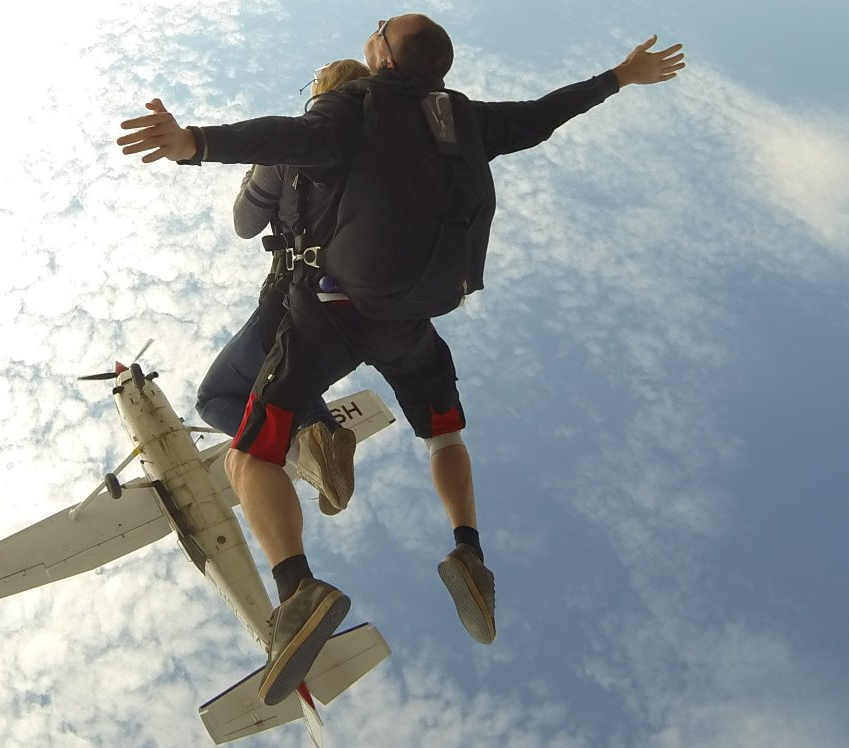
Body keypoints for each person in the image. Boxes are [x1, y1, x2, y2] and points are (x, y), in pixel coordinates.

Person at [117, 14, 684, 706]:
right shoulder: (465, 120)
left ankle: (298, 587)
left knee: (248, 453)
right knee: (444, 433)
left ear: (384, 56)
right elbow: (543, 116)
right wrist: (619, 77)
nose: (370, 31)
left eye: (378, 27)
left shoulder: (348, 108)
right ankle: (469, 551)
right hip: (411, 324)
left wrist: (194, 144)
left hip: (326, 316)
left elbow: (285, 137)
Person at [195, 59, 371, 516]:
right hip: (371, 313)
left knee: (215, 397)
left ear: (324, 90)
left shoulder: (294, 142)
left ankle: (314, 439)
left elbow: (244, 225)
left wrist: (254, 171)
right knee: (288, 366)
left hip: (298, 290)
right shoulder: (392, 151)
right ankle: (315, 438)